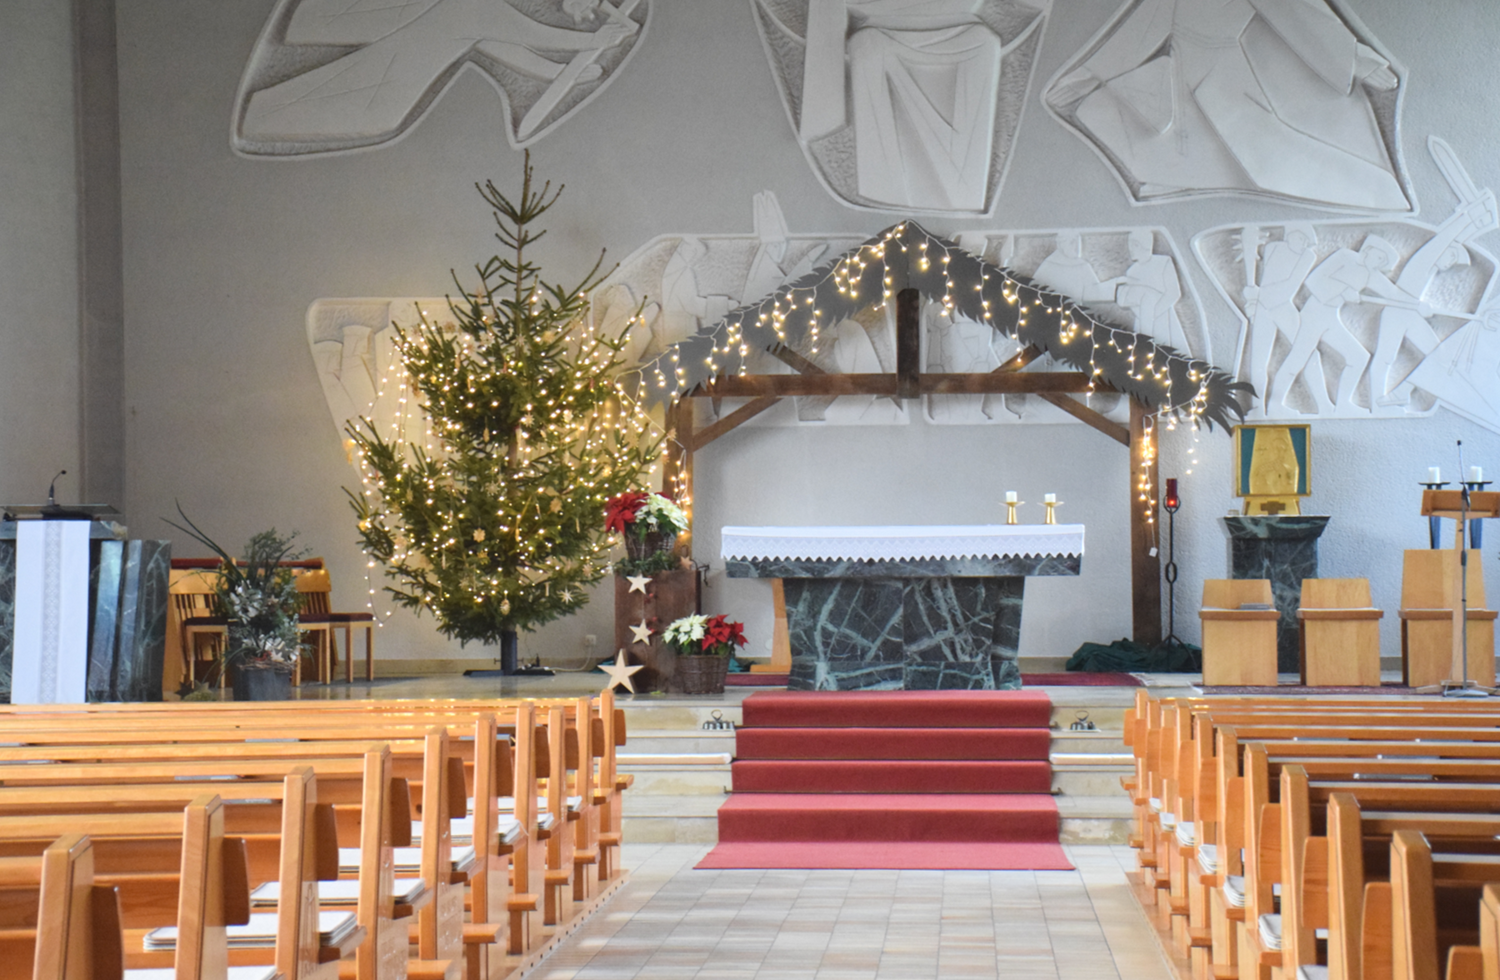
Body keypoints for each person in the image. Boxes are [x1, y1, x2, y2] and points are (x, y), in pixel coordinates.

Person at [1045, 0, 1408, 210]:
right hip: (1180, 70)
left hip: (1221, 74)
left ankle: (1372, 189)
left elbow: (1299, 12)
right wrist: (1086, 76)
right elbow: (1141, 31)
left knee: (1258, 146)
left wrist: (1356, 60)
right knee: (1099, 110)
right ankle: (1174, 177)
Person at [1271, 237, 1405, 413]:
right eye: (1379, 257)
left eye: (1383, 262)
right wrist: (1343, 290)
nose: (1378, 263)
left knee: (1359, 357)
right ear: (1368, 250)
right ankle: (1274, 405)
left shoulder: (1368, 273)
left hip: (1330, 317)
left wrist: (1418, 305)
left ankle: (1343, 404)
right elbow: (1313, 280)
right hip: (1314, 314)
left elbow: (1393, 293)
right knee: (1298, 359)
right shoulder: (1345, 256)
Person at [1241, 225, 1318, 415]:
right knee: (1258, 363)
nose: (1303, 244)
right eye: (1300, 238)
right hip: (1264, 309)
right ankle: (1257, 408)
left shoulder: (1307, 256)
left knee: (1310, 353)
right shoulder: (1273, 247)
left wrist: (1256, 295)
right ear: (1290, 234)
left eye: (1306, 241)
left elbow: (1289, 288)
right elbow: (1267, 278)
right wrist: (1255, 297)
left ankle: (1284, 403)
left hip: (1283, 308)